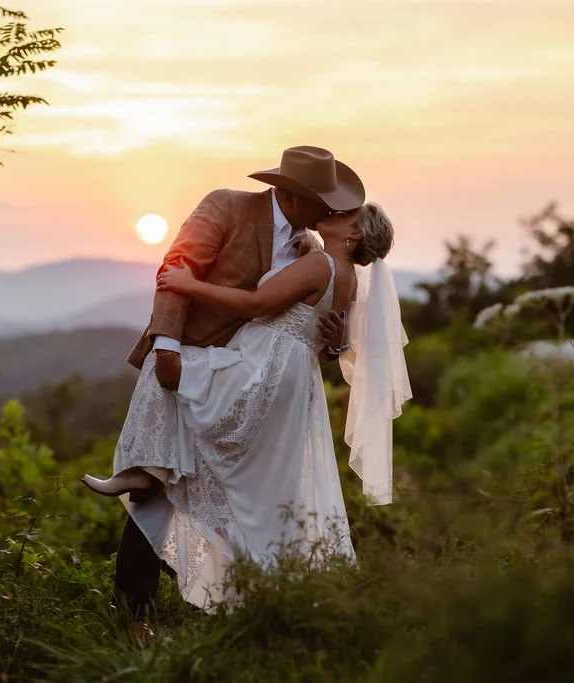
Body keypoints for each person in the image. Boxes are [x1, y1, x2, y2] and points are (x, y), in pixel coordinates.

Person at [83, 147, 411, 625]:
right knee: (212, 473)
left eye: (342, 211)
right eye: (327, 203)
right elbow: (326, 331)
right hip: (279, 378)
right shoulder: (241, 213)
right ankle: (158, 565)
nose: (332, 211)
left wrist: (187, 289)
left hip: (259, 371)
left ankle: (147, 478)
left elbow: (260, 305)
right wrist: (170, 339)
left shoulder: (320, 260)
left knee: (193, 440)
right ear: (295, 196)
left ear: (354, 231)